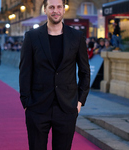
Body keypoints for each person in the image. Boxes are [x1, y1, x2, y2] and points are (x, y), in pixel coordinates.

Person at [19, 0, 90, 149]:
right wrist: (26, 103)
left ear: (64, 10)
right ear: (45, 10)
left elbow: (85, 71)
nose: (55, 11)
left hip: (67, 107)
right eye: (51, 7)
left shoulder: (77, 37)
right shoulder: (32, 36)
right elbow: (25, 71)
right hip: (37, 107)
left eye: (59, 7)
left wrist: (79, 102)